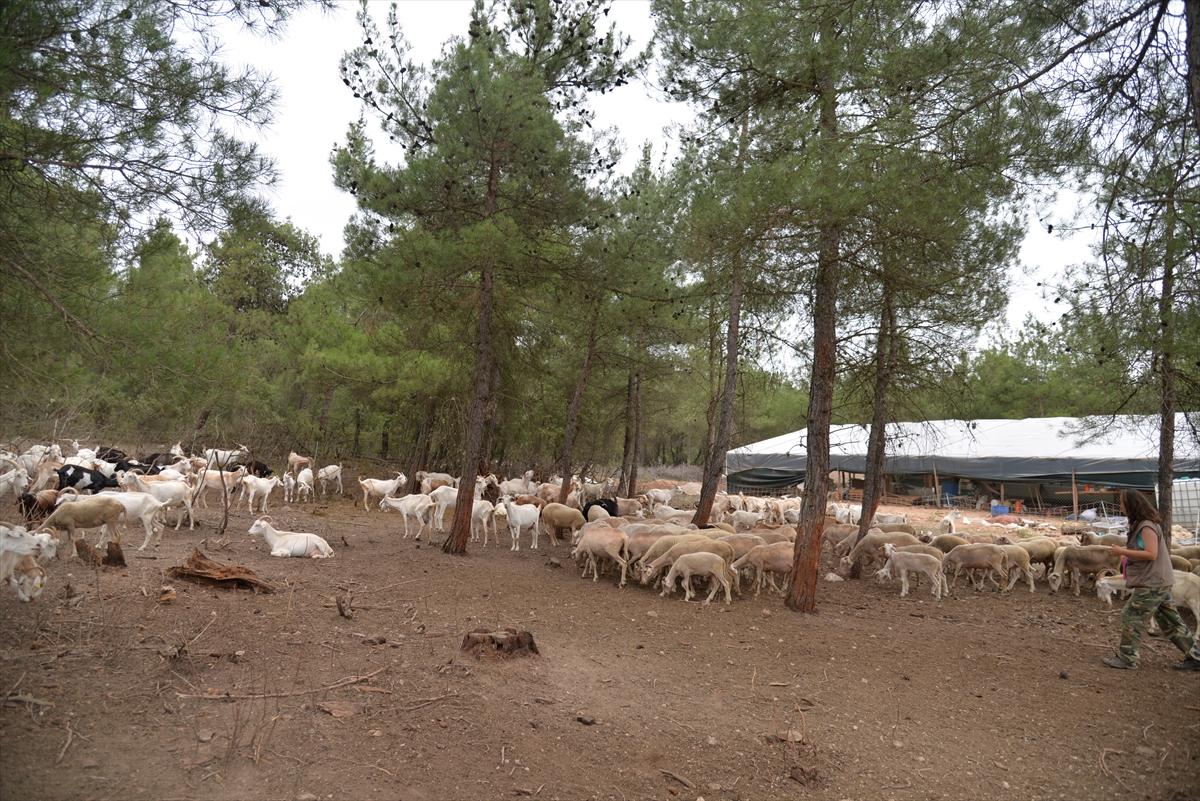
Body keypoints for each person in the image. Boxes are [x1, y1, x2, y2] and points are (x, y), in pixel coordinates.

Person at [1102, 490, 1200, 671]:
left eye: (1123, 503)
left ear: (1132, 505)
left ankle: (1128, 658)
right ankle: (1195, 657)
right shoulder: (1143, 525)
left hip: (1152, 583)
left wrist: (1122, 552)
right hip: (1159, 580)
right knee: (1170, 621)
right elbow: (1144, 550)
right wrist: (1127, 551)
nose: (1121, 506)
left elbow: (1151, 553)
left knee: (1131, 616)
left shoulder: (1146, 526)